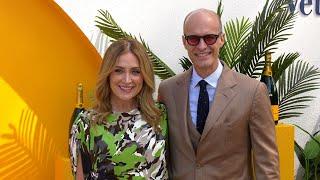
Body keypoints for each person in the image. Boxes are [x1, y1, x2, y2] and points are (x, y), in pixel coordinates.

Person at [158, 8, 279, 179]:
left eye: (209, 38)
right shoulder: (167, 90)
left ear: (222, 39)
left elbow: (266, 162)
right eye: (193, 39)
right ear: (184, 42)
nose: (202, 46)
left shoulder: (252, 91)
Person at [69, 38, 168, 179]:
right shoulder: (86, 124)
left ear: (144, 76)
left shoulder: (160, 116)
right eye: (119, 71)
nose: (127, 80)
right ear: (108, 74)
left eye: (135, 72)